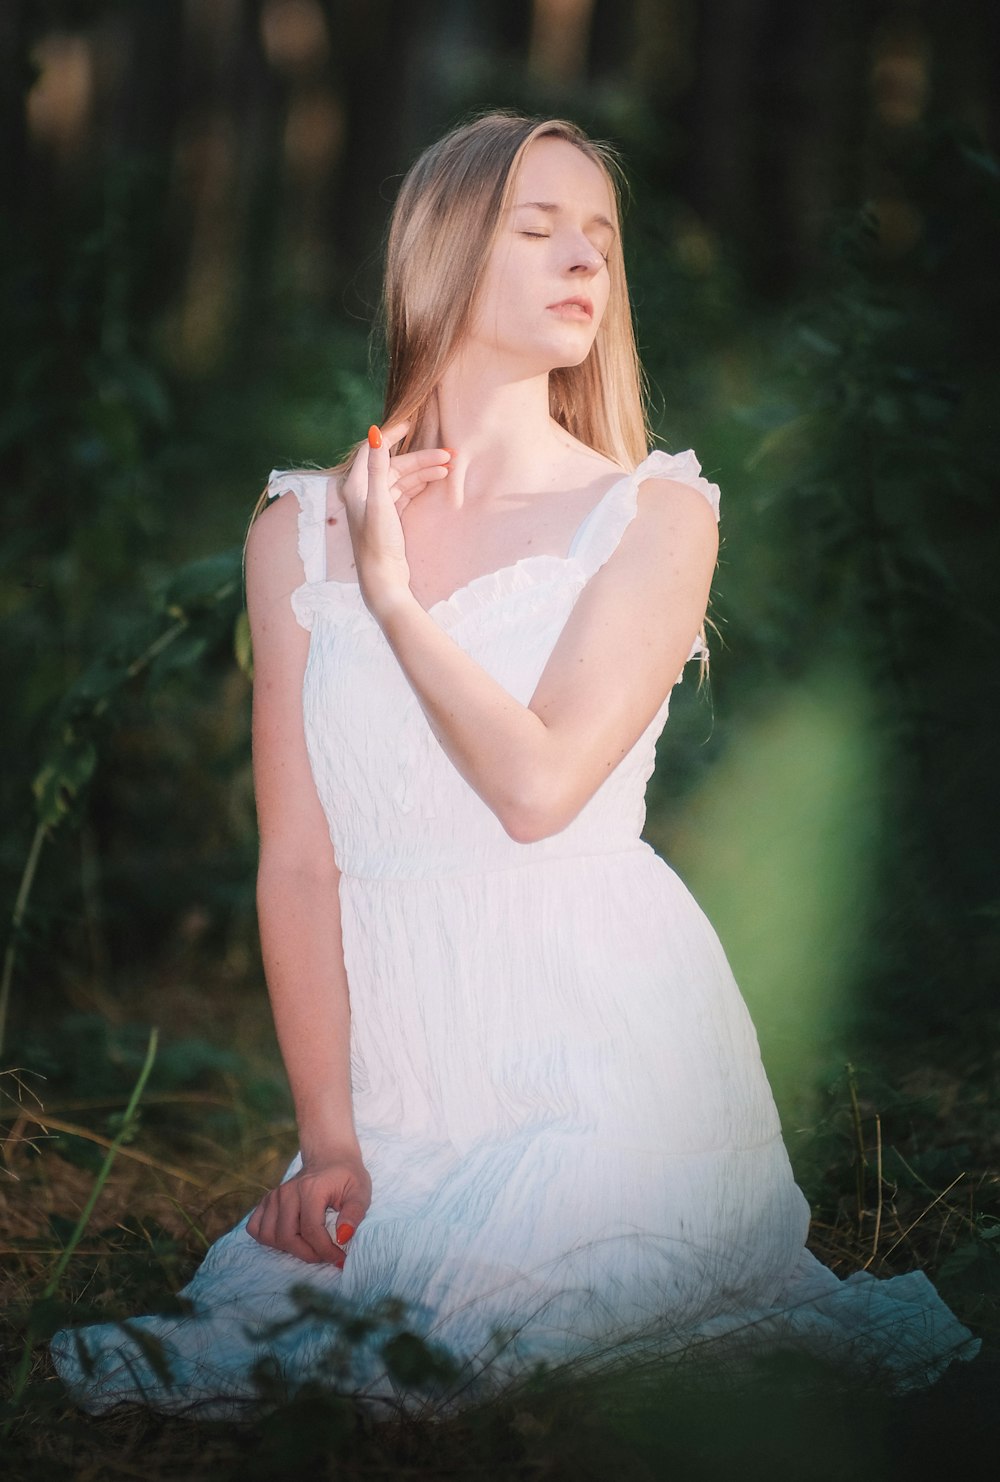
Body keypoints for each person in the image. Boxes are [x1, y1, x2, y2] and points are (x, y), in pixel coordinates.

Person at [50, 111, 978, 1417]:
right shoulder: (295, 535)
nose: (583, 260)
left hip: (604, 1062)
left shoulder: (652, 514)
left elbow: (539, 791)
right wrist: (329, 1140)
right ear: (438, 256)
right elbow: (302, 860)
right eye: (537, 229)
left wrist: (400, 599)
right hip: (410, 1090)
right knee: (298, 1332)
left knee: (497, 1345)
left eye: (599, 235)